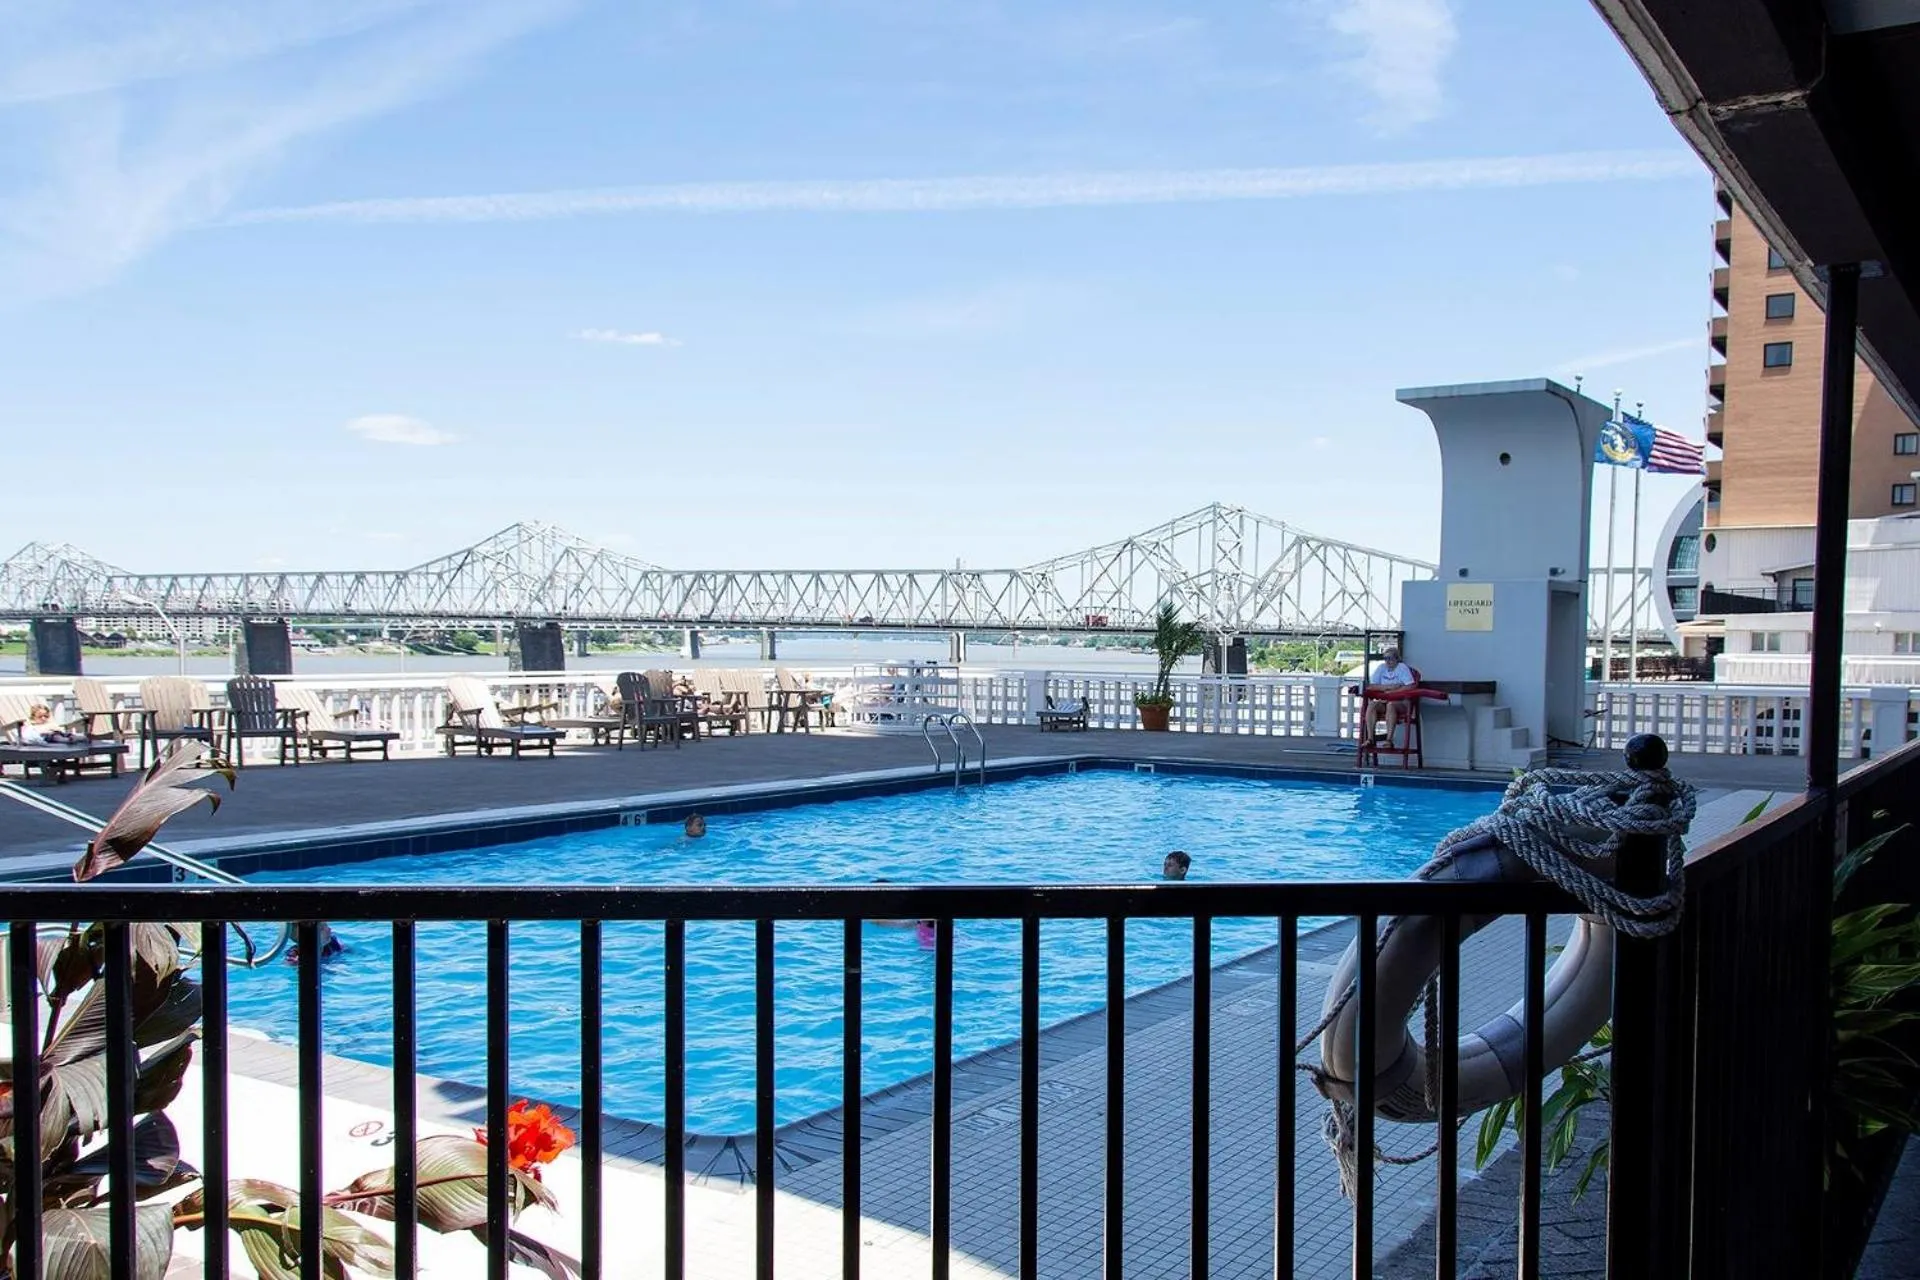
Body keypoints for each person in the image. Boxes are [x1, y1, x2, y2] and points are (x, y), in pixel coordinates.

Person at [1366, 644, 1418, 745]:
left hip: (1401, 702)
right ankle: (1370, 739)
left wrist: (1394, 692)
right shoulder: (1381, 668)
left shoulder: (1402, 668)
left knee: (1391, 705)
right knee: (1372, 704)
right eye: (1385, 658)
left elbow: (1411, 686)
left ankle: (1389, 740)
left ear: (1397, 659)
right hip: (1384, 700)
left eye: (1390, 658)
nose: (1387, 661)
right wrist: (1388, 687)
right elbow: (1371, 686)